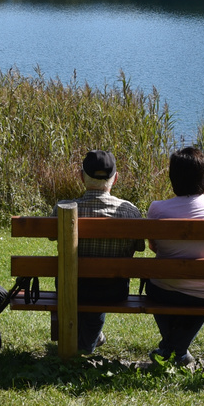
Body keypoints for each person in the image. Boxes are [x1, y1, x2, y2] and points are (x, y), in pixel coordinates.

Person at [144, 145, 204, 368]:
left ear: (172, 177)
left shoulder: (157, 209)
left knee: (162, 285)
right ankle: (177, 352)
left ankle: (172, 349)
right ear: (203, 176)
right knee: (199, 291)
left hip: (164, 289)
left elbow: (154, 247)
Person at [58, 149, 141, 354]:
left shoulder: (63, 209)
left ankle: (83, 342)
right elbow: (138, 247)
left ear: (81, 176)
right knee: (99, 285)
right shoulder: (130, 211)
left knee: (81, 283)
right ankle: (85, 345)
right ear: (115, 179)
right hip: (113, 291)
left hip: (71, 287)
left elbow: (52, 236)